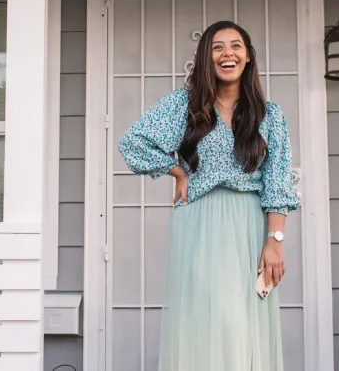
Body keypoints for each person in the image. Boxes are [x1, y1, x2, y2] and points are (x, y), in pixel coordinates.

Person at [117, 20, 300, 371]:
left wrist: (274, 241)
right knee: (209, 318)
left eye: (235, 46)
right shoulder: (183, 106)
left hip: (249, 225)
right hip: (200, 223)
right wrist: (177, 170)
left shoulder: (269, 116)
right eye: (217, 47)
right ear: (206, 58)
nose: (227, 53)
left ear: (247, 58)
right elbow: (132, 143)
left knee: (244, 323)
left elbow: (278, 184)